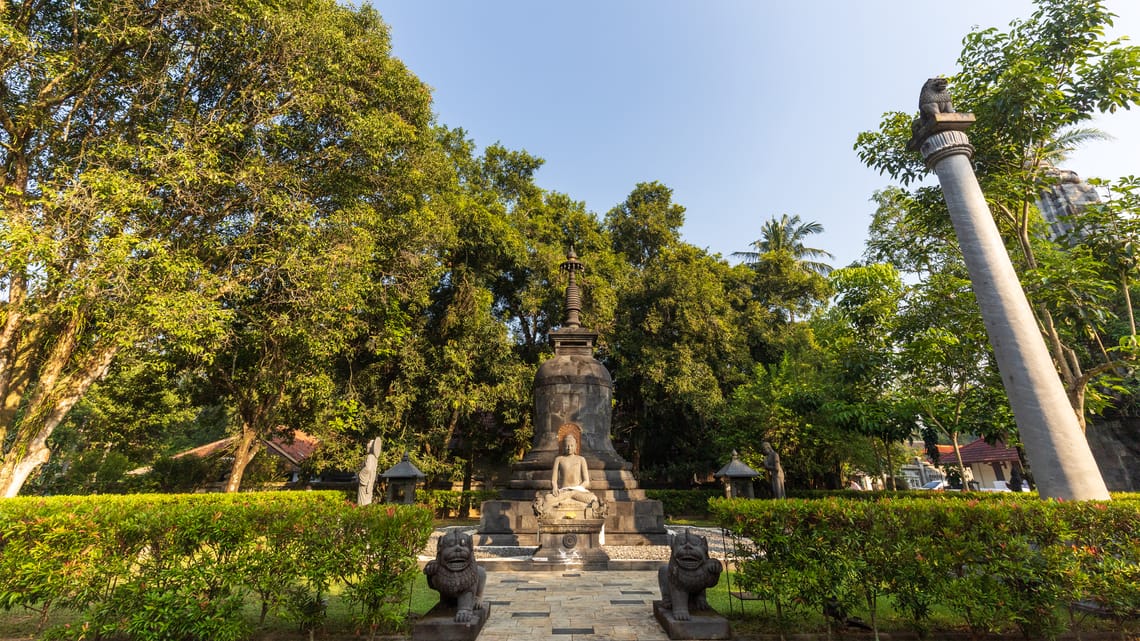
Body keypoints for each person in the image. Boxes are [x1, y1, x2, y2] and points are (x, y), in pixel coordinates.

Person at [535, 434, 598, 513]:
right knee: (548, 498)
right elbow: (554, 480)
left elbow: (586, 481)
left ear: (576, 446)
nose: (569, 448)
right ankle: (568, 496)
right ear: (563, 447)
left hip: (577, 491)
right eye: (567, 446)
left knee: (593, 498)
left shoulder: (581, 459)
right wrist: (555, 488)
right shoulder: (559, 459)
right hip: (564, 491)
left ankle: (569, 496)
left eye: (571, 445)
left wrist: (577, 488)